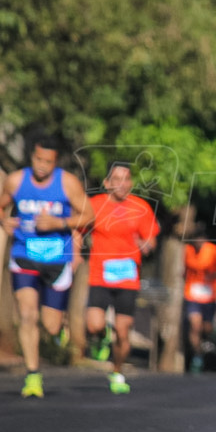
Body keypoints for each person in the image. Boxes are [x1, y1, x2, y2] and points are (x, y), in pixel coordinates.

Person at [0, 137, 95, 398]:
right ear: (32, 157)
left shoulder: (67, 183)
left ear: (55, 161)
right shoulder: (16, 180)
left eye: (47, 162)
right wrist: (2, 221)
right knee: (27, 315)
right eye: (38, 159)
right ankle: (33, 375)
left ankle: (59, 326)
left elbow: (89, 214)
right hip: (24, 255)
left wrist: (59, 223)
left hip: (56, 260)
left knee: (50, 326)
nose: (41, 166)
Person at [84, 162, 160, 394]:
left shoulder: (141, 207)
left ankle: (117, 372)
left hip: (127, 278)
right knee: (94, 324)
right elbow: (78, 229)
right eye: (116, 178)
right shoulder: (94, 206)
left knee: (124, 332)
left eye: (126, 178)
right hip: (100, 275)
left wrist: (145, 245)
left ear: (131, 183)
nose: (121, 183)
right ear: (106, 183)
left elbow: (151, 240)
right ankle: (103, 335)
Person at [183, 226, 216, 373]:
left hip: (208, 295)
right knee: (194, 325)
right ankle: (197, 355)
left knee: (206, 327)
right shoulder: (187, 251)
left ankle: (206, 344)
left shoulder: (213, 251)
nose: (198, 243)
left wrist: (212, 275)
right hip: (192, 294)